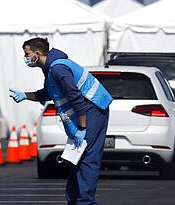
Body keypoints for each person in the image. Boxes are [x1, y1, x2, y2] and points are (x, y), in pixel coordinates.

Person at [9, 37, 112, 205]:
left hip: (93, 109)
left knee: (87, 157)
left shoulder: (58, 68)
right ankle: (74, 199)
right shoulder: (49, 68)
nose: (26, 58)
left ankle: (85, 201)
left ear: (37, 53)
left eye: (27, 54)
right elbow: (48, 93)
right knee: (76, 157)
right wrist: (25, 95)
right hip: (86, 112)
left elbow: (75, 96)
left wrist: (82, 127)